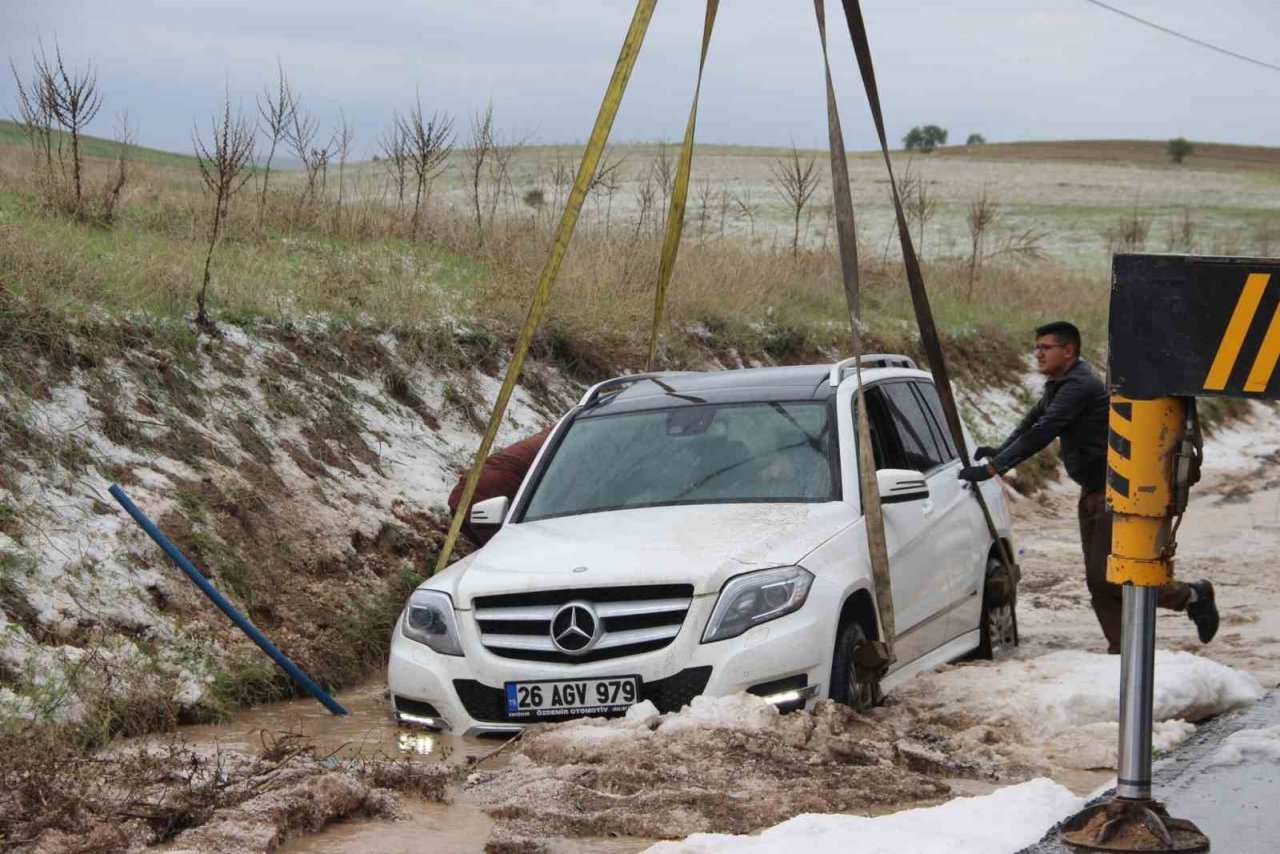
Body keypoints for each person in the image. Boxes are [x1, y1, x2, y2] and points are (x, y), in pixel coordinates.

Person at [957, 321, 1219, 654]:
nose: (1037, 353)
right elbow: (1032, 422)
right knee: (1098, 581)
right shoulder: (1059, 385)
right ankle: (1123, 652)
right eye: (1036, 347)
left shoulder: (1080, 385)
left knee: (1109, 577)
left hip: (1118, 492)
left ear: (1068, 351)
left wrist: (997, 467)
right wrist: (1000, 451)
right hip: (1092, 491)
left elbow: (1047, 429)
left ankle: (1190, 596)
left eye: (1045, 347)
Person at [447, 428, 551, 547]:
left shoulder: (560, 433)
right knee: (509, 553)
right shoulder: (561, 445)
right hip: (485, 497)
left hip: (465, 491)